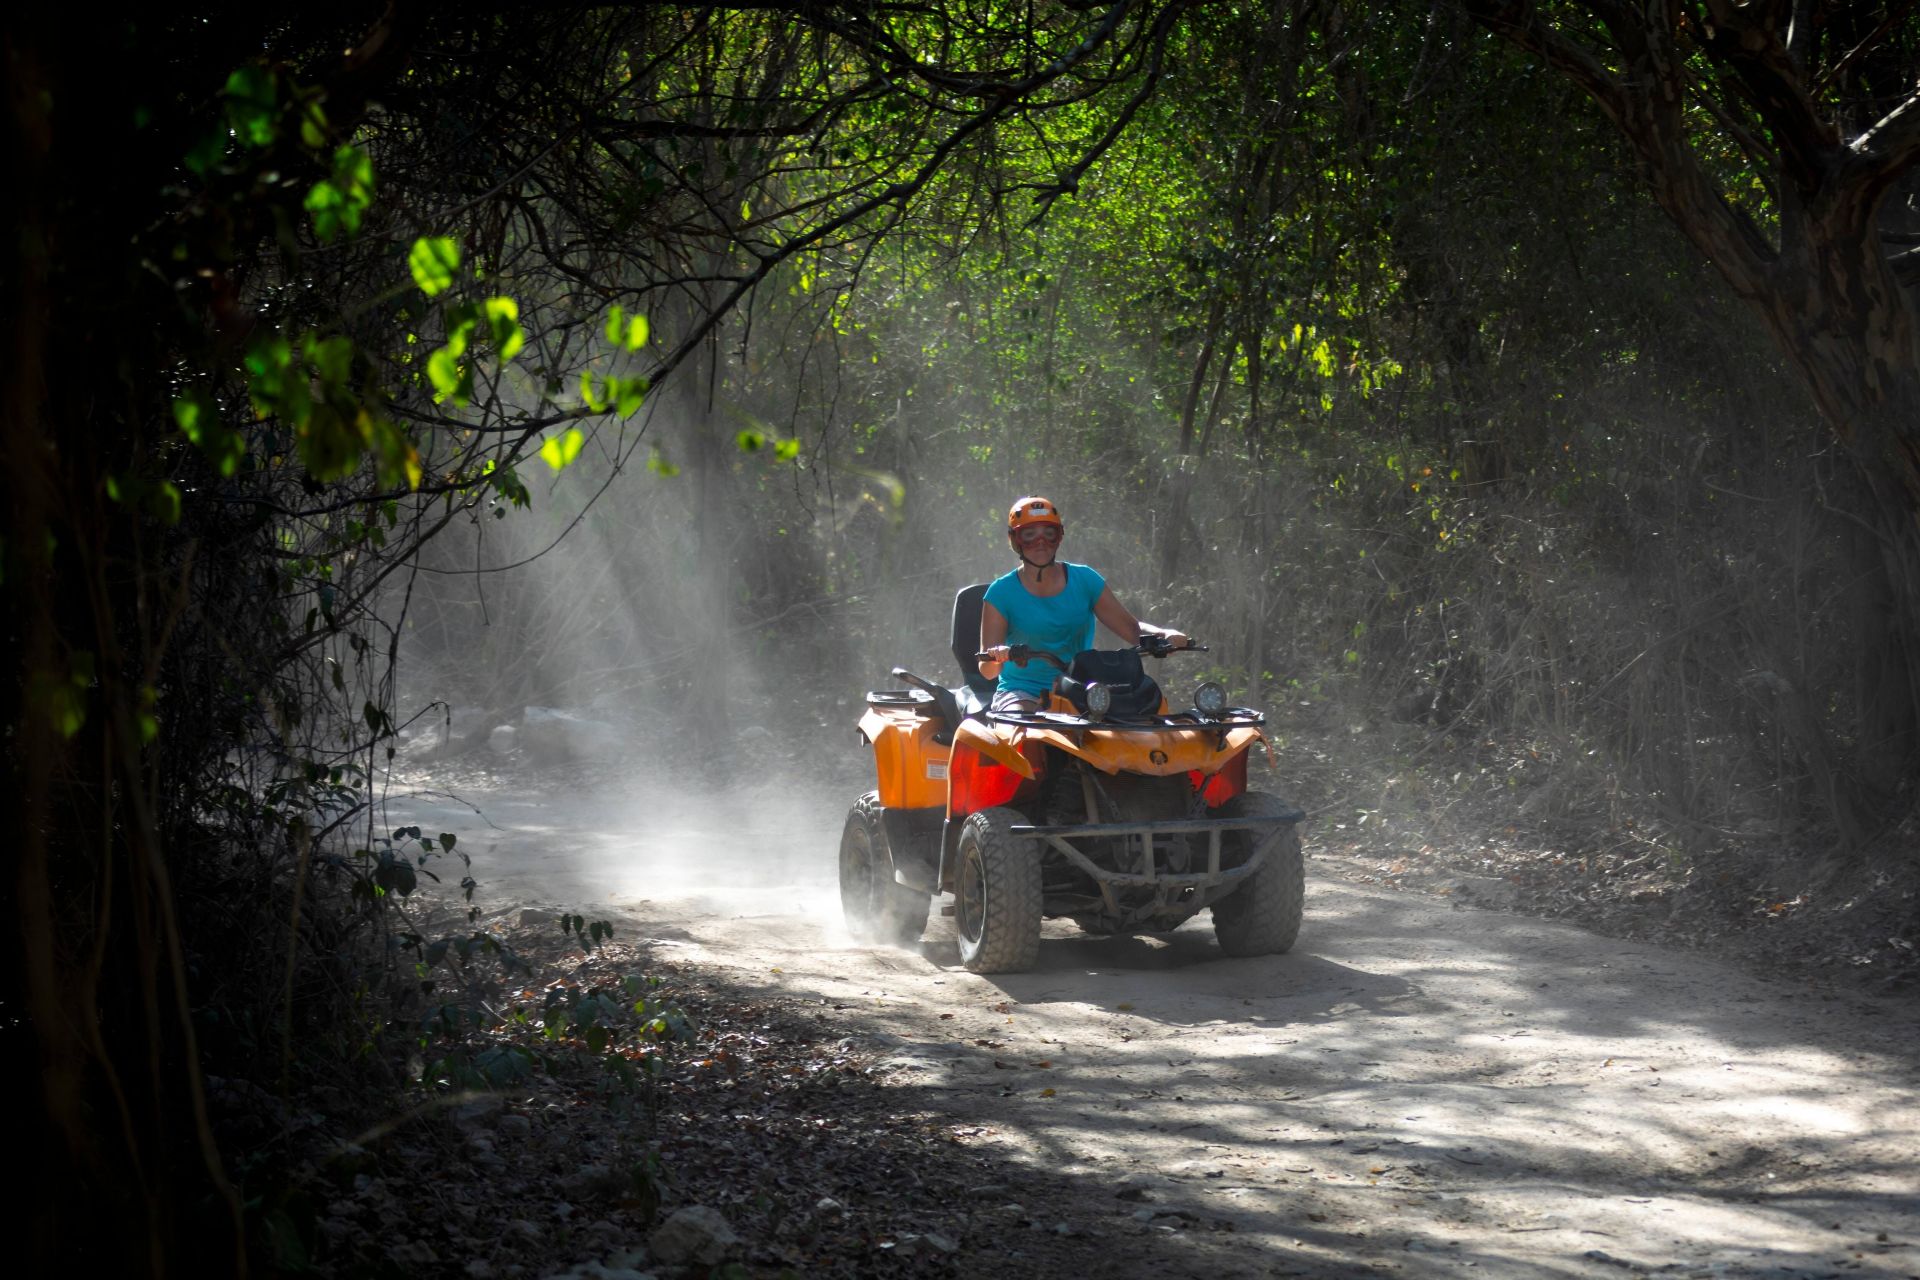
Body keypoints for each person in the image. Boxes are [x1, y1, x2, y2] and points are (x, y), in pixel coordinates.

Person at [977, 495, 1188, 713]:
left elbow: (1132, 628)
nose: (1041, 543)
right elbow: (987, 670)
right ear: (1016, 540)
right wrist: (998, 656)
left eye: (1048, 534)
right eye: (1030, 535)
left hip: (1081, 690)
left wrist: (1163, 635)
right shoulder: (1000, 593)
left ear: (1059, 537)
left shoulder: (1085, 580)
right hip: (1023, 693)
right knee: (1025, 730)